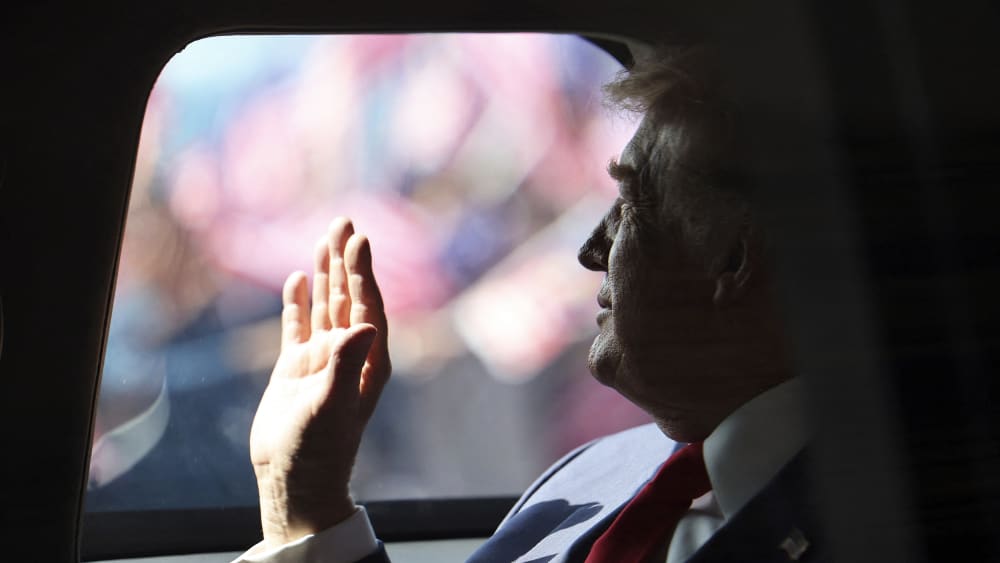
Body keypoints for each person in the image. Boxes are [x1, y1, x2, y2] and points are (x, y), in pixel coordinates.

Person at [234, 44, 820, 563]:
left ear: (734, 260)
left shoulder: (872, 515)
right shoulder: (588, 477)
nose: (592, 250)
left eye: (634, 205)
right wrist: (307, 510)